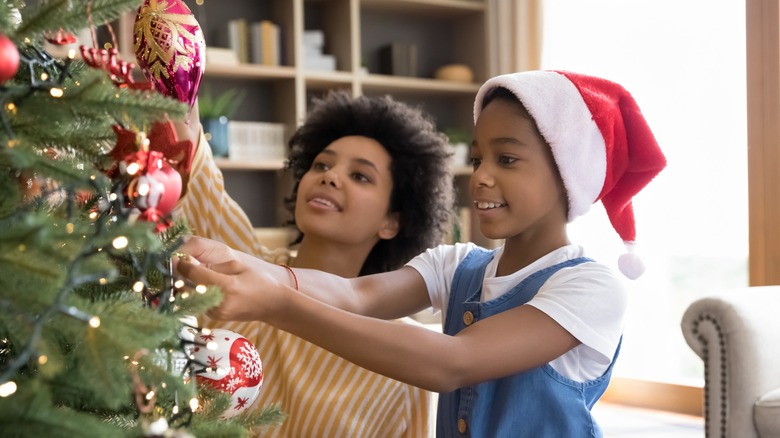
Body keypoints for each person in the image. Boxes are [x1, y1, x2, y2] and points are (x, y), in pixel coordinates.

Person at [175, 70, 667, 436]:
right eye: (477, 158)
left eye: (507, 158)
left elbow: (452, 361)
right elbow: (356, 295)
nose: (481, 176)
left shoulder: (590, 287)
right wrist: (255, 270)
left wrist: (276, 300)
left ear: (568, 174)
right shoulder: (457, 265)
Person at [173, 90, 455, 436]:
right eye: (321, 164)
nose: (330, 176)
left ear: (392, 222)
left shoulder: (401, 355)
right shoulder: (244, 263)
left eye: (360, 176)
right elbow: (196, 169)